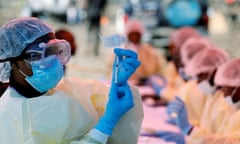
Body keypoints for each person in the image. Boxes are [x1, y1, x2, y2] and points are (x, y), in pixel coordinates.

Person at [0, 17, 141, 144]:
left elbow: (121, 133)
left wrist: (119, 84)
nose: (53, 61)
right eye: (38, 56)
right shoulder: (8, 117)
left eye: (54, 50)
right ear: (11, 64)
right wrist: (105, 125)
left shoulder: (69, 89)